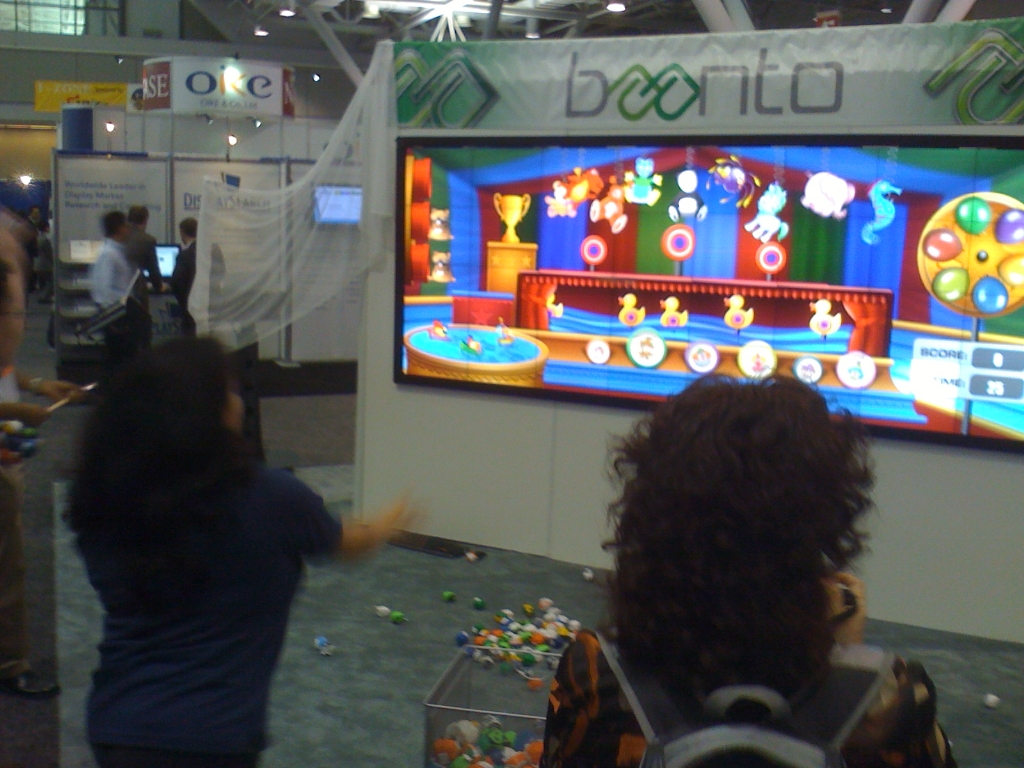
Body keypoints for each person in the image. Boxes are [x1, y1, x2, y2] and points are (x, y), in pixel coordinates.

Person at [542, 377, 955, 768]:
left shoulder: (594, 677)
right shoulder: (894, 702)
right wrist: (848, 659)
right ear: (821, 528)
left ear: (650, 522)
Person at [66, 337, 416, 768]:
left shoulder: (111, 501)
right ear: (202, 415)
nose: (238, 401)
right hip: (214, 740)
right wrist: (395, 515)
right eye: (227, 391)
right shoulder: (273, 497)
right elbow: (348, 543)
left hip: (116, 727)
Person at [0, 224, 83, 698]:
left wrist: (37, 386)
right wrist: (17, 410)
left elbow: (4, 371)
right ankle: (10, 662)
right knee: (8, 564)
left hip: (7, 452)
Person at [90, 211, 146, 375]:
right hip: (116, 317)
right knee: (118, 361)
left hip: (121, 314)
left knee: (123, 361)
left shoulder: (117, 251)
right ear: (119, 228)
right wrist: (118, 313)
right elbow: (103, 289)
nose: (129, 229)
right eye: (126, 226)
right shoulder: (108, 254)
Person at [124, 205, 163, 347]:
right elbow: (153, 270)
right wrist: (159, 287)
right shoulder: (147, 240)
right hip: (136, 291)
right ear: (145, 220)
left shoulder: (120, 237)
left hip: (117, 290)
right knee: (141, 329)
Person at [170, 217, 197, 336]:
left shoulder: (184, 255)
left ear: (182, 232)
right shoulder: (213, 251)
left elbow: (176, 281)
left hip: (190, 305)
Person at [35, 220, 53, 304]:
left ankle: (41, 296)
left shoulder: (37, 238)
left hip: (37, 263)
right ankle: (44, 297)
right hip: (45, 264)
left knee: (42, 283)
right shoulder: (45, 240)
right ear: (46, 228)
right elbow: (49, 253)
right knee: (50, 282)